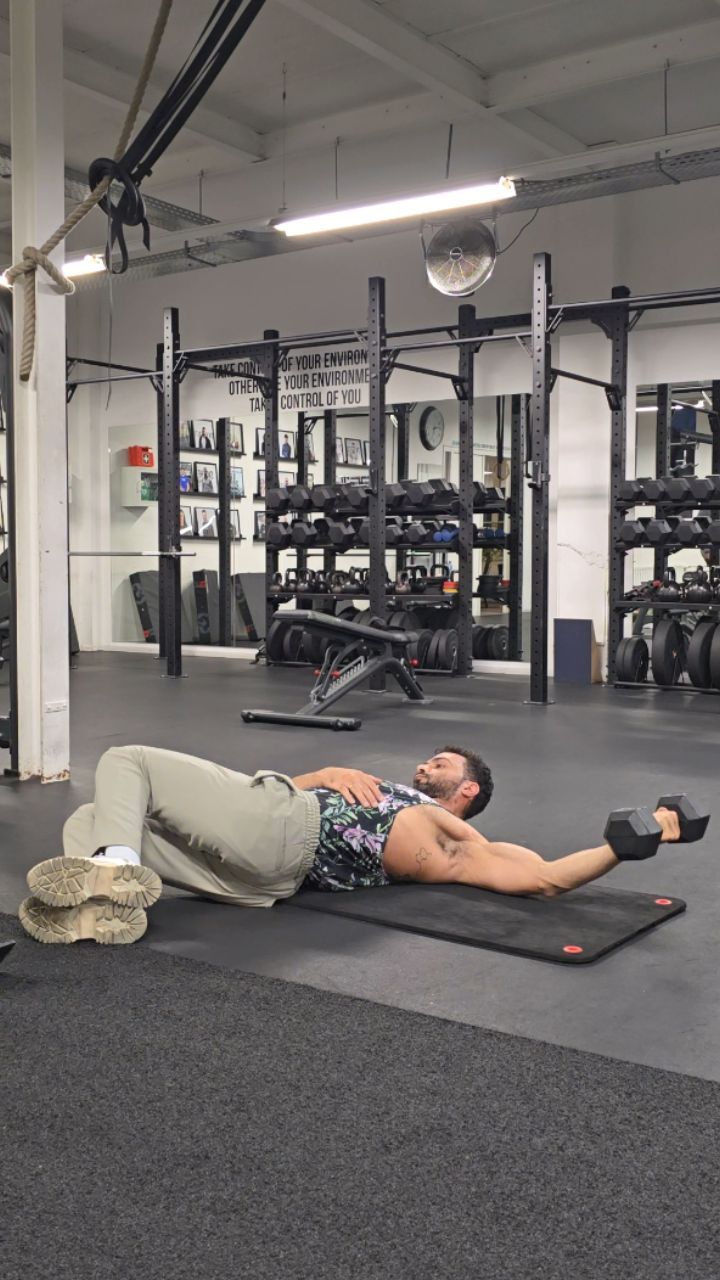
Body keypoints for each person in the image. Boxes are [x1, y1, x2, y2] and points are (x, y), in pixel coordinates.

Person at [18, 745, 683, 947]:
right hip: (263, 871)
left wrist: (625, 845)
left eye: (442, 764)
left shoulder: (451, 834)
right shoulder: (405, 804)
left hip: (283, 831)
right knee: (92, 814)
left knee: (126, 759)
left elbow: (543, 879)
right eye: (425, 761)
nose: (426, 767)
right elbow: (262, 787)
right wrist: (322, 774)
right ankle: (104, 909)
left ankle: (115, 868)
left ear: (469, 790)